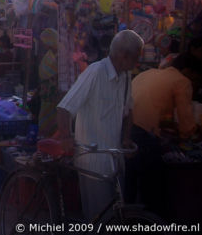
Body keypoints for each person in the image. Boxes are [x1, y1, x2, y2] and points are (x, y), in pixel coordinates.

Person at [55, 29, 143, 221]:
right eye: (135, 58)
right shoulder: (95, 72)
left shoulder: (126, 76)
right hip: (93, 161)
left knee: (115, 217)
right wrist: (65, 137)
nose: (137, 63)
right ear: (123, 55)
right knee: (99, 219)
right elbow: (64, 108)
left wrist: (127, 138)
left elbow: (128, 111)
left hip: (115, 159)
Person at [126, 52, 201, 212]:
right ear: (188, 71)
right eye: (196, 77)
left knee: (130, 183)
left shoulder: (148, 73)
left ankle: (127, 220)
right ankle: (152, 223)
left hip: (125, 130)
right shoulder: (182, 81)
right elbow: (186, 126)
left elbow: (153, 107)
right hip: (145, 135)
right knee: (153, 189)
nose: (196, 82)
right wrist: (193, 132)